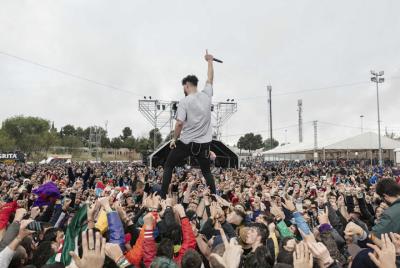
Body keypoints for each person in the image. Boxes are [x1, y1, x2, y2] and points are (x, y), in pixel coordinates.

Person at [160, 50, 217, 199]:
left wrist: (174, 139)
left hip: (186, 142)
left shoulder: (184, 101)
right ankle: (215, 197)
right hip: (204, 144)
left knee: (169, 165)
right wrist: (210, 61)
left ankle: (161, 196)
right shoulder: (206, 95)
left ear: (186, 86)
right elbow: (210, 78)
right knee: (206, 172)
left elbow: (179, 123)